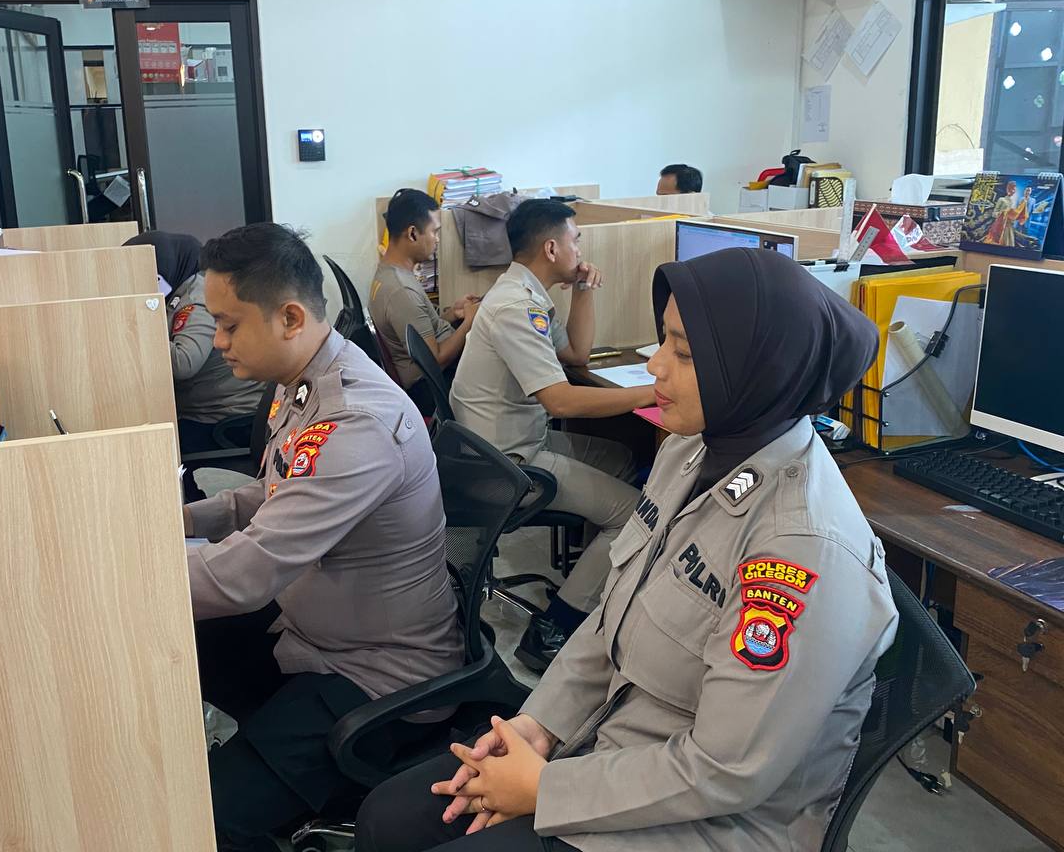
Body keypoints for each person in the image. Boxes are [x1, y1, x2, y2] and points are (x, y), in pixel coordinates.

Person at [355, 247, 899, 852]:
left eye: (683, 353)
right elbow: (612, 616)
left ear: (758, 370)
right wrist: (540, 725)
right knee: (388, 818)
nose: (655, 365)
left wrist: (546, 789)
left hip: (702, 823)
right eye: (664, 340)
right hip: (610, 741)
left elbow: (724, 770)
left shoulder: (803, 550)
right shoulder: (689, 452)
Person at [184, 223, 463, 852]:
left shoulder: (356, 421)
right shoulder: (305, 380)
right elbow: (278, 492)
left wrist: (114, 582)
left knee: (209, 819)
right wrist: (189, 520)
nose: (218, 341)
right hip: (316, 634)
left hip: (378, 675)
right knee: (181, 647)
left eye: (228, 325)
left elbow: (246, 575)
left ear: (288, 318)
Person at [450, 199, 655, 672]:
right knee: (634, 515)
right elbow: (560, 401)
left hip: (507, 442)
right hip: (507, 464)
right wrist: (651, 394)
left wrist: (583, 290)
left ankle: (590, 581)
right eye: (575, 240)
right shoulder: (515, 308)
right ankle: (553, 629)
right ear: (551, 248)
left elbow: (577, 354)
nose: (580, 249)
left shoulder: (525, 294)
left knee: (624, 457)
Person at [124, 230, 265, 455]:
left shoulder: (195, 301)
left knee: (151, 450)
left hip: (222, 415)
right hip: (204, 406)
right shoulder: (181, 290)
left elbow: (184, 362)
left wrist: (138, 328)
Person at [371, 188, 480, 410]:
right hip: (430, 386)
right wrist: (469, 322)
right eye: (434, 232)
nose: (437, 240)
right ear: (412, 234)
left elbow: (421, 329)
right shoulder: (401, 291)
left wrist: (453, 314)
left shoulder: (390, 272)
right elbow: (435, 360)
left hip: (431, 370)